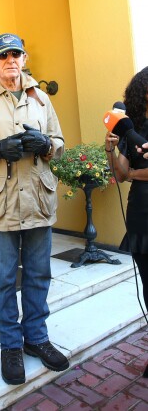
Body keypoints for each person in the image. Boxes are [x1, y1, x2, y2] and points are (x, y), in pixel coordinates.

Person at [0, 33, 69, 385]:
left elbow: (60, 143)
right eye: (2, 56)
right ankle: (10, 346)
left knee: (38, 274)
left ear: (24, 57)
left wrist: (47, 144)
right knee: (4, 281)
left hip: (37, 199)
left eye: (15, 53)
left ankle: (36, 338)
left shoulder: (41, 97)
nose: (10, 60)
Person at [105, 67, 148, 378]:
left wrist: (134, 174)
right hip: (141, 215)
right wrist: (110, 147)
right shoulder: (132, 128)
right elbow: (119, 175)